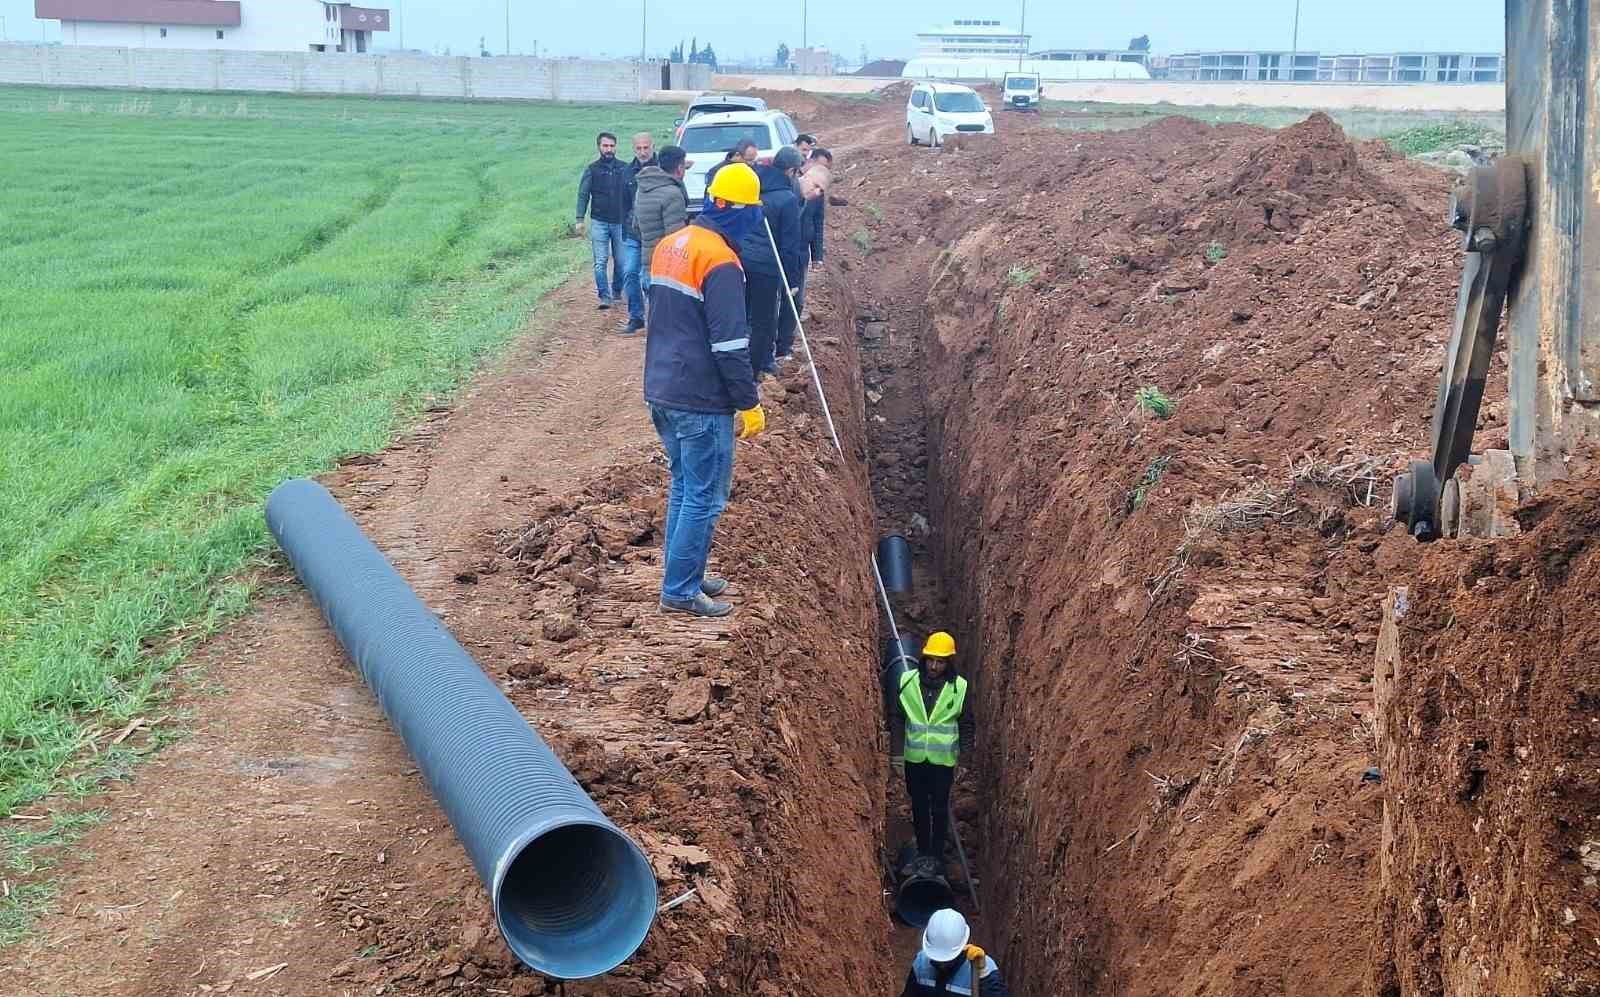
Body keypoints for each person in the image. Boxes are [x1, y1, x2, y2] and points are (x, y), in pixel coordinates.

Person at [644, 162, 767, 618]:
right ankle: (679, 590)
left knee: (684, 487)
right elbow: (731, 346)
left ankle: (685, 575)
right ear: (737, 210)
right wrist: (749, 402)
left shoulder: (670, 245)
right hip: (700, 397)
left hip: (662, 386)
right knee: (704, 495)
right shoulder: (721, 262)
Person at [889, 631, 973, 869]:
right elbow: (896, 718)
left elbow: (966, 724)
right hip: (914, 759)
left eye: (941, 662)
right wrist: (896, 754)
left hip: (942, 762)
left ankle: (936, 856)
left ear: (949, 663)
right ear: (924, 658)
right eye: (931, 660)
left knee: (939, 807)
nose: (934, 666)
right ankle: (923, 852)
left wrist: (964, 759)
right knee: (919, 806)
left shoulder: (959, 687)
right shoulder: (907, 681)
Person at [737, 145, 804, 376]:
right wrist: (792, 280)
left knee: (743, 316)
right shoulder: (787, 199)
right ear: (791, 171)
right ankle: (755, 370)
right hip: (766, 265)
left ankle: (758, 359)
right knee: (763, 321)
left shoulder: (755, 187)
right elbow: (789, 246)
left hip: (741, 260)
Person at [777, 147, 832, 359]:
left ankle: (784, 345)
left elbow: (818, 223)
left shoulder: (816, 196)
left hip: (800, 254)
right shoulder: (788, 193)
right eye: (817, 187)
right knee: (778, 300)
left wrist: (817, 255)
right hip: (782, 254)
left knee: (796, 301)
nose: (818, 192)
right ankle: (771, 345)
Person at [901, 909, 1010, 997]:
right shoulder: (921, 963)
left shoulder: (981, 968)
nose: (941, 963)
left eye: (946, 959)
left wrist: (984, 974)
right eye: (937, 959)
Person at [575, 131, 628, 310]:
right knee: (601, 261)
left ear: (616, 147)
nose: (609, 149)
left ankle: (617, 291)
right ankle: (604, 296)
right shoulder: (592, 169)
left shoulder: (624, 168)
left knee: (621, 261)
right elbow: (583, 195)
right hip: (599, 221)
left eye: (612, 146)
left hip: (620, 222)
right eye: (605, 146)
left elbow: (632, 194)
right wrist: (579, 219)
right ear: (599, 147)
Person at [632, 144, 690, 301]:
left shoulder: (642, 189)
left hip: (647, 266)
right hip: (667, 271)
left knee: (654, 319)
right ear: (679, 168)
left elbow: (636, 227)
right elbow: (677, 239)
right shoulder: (673, 194)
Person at [619, 131, 657, 333]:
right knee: (630, 273)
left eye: (646, 147)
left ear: (653, 146)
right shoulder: (627, 172)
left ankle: (655, 320)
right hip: (633, 234)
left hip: (655, 234)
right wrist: (625, 228)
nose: (643, 152)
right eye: (638, 148)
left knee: (649, 279)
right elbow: (623, 204)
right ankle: (636, 317)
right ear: (633, 149)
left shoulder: (662, 169)